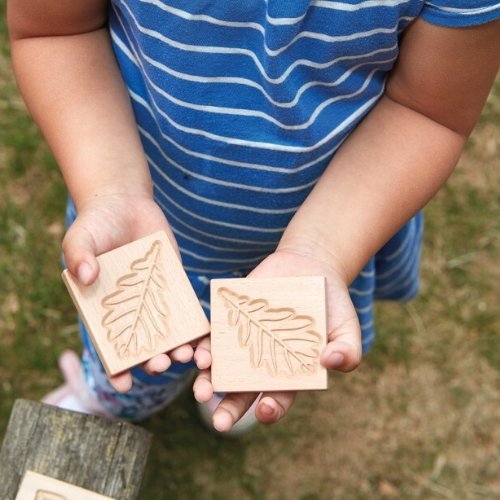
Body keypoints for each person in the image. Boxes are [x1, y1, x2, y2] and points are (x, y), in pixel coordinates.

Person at [7, 1, 500, 433]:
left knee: (255, 358)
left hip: (335, 221)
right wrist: (112, 187)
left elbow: (428, 111)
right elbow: (57, 30)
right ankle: (119, 400)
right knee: (137, 359)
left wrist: (319, 250)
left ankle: (234, 384)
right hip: (145, 219)